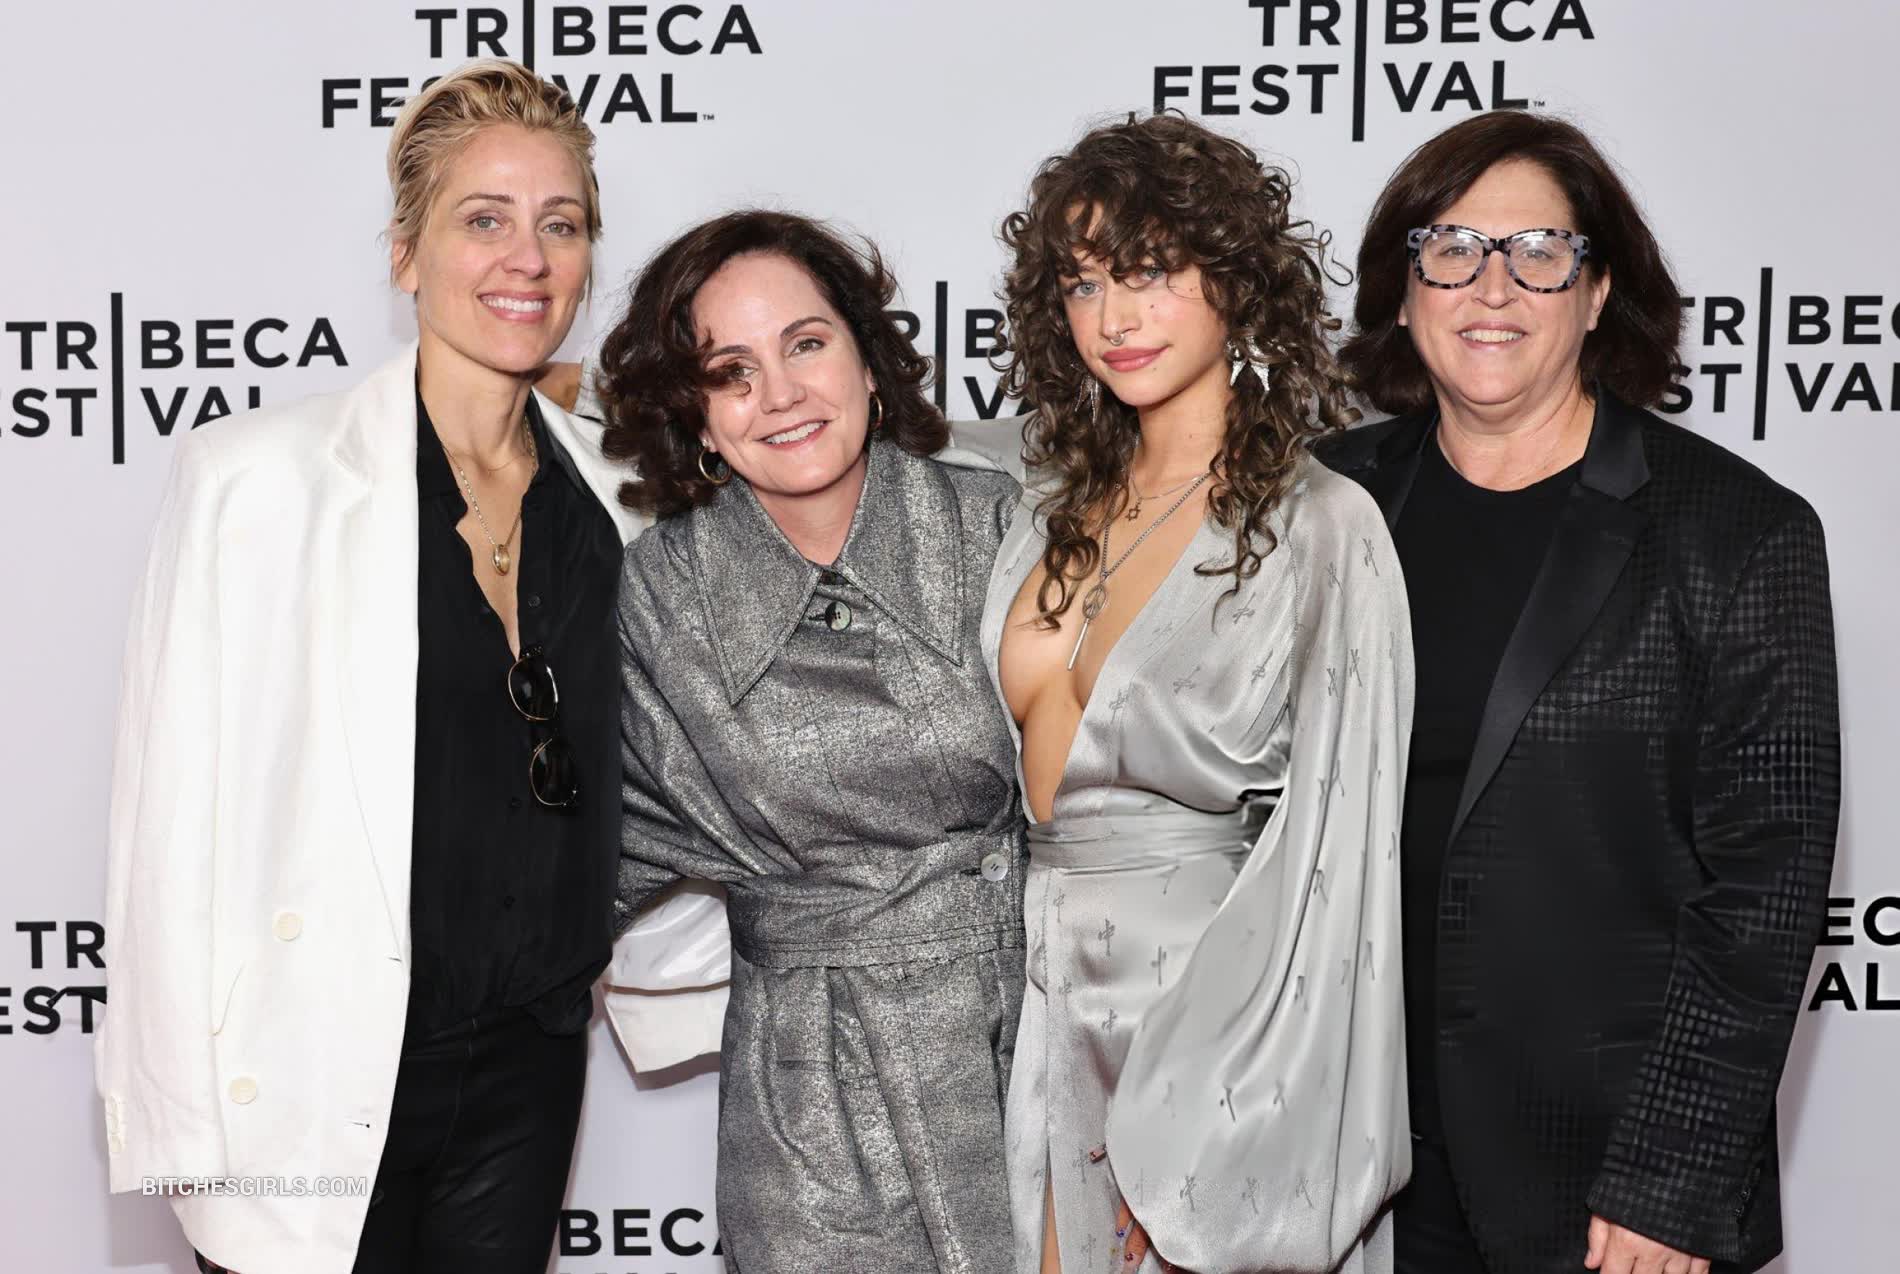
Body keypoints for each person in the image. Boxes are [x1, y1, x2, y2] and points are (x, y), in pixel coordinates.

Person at [95, 60, 720, 1274]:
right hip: (311, 1065)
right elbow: (163, 823)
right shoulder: (257, 480)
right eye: (482, 219)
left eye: (561, 224)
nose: (526, 257)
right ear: (404, 255)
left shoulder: (622, 498)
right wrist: (173, 1120)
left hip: (532, 1063)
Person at [1316, 110, 1840, 1274]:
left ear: (1597, 292)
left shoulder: (1735, 532)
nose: (1491, 286)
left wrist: (1670, 1179)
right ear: (1403, 288)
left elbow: (1764, 893)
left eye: (1540, 252)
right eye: (1451, 249)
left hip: (1602, 1189)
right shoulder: (1325, 504)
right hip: (1346, 1172)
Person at [973, 112, 1413, 1274]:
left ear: (1236, 282)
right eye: (1081, 283)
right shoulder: (1042, 514)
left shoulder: (1321, 527)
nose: (1111, 318)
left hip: (1214, 1031)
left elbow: (1336, 876)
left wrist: (1226, 1151)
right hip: (1043, 1013)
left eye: (1150, 272)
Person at [591, 209, 1027, 1273]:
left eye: (806, 343)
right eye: (730, 372)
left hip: (1033, 1050)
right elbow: (574, 847)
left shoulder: (1001, 528)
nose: (780, 394)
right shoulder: (661, 598)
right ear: (697, 419)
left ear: (868, 360)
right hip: (808, 1098)